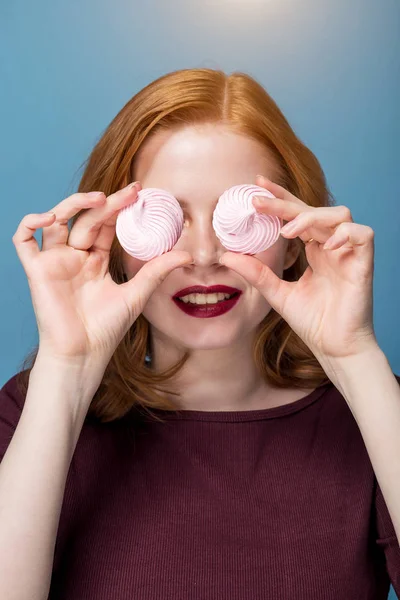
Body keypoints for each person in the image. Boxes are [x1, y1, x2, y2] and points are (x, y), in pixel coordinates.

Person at [0, 68, 399, 599]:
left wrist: (355, 356)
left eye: (241, 217)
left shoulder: (376, 414)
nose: (207, 257)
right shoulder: (32, 412)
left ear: (295, 237)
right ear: (114, 238)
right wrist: (66, 366)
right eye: (168, 216)